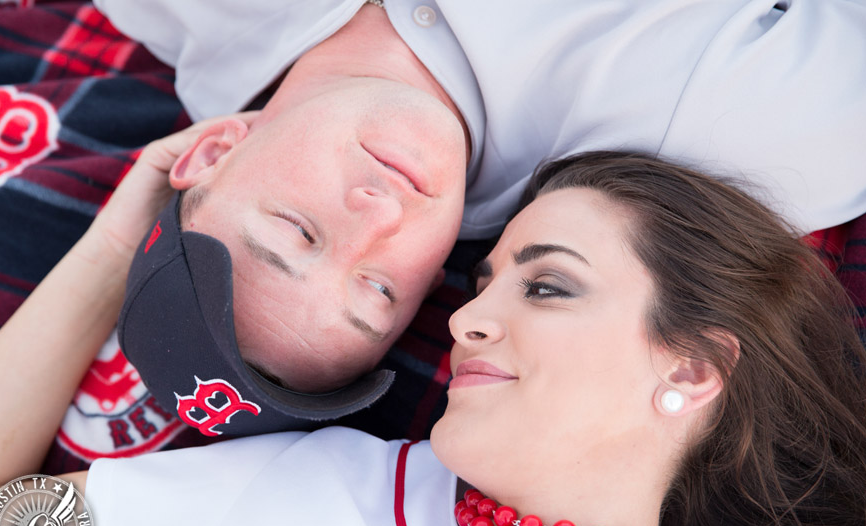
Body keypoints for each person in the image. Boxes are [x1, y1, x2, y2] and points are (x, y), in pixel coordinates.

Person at [0, 152, 864, 526]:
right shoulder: (302, 487)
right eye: (485, 282)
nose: (471, 319)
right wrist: (121, 250)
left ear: (695, 368)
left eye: (547, 287)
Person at [86, 0, 866, 430]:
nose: (377, 217)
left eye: (299, 231)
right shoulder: (714, 131)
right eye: (378, 289)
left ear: (211, 151)